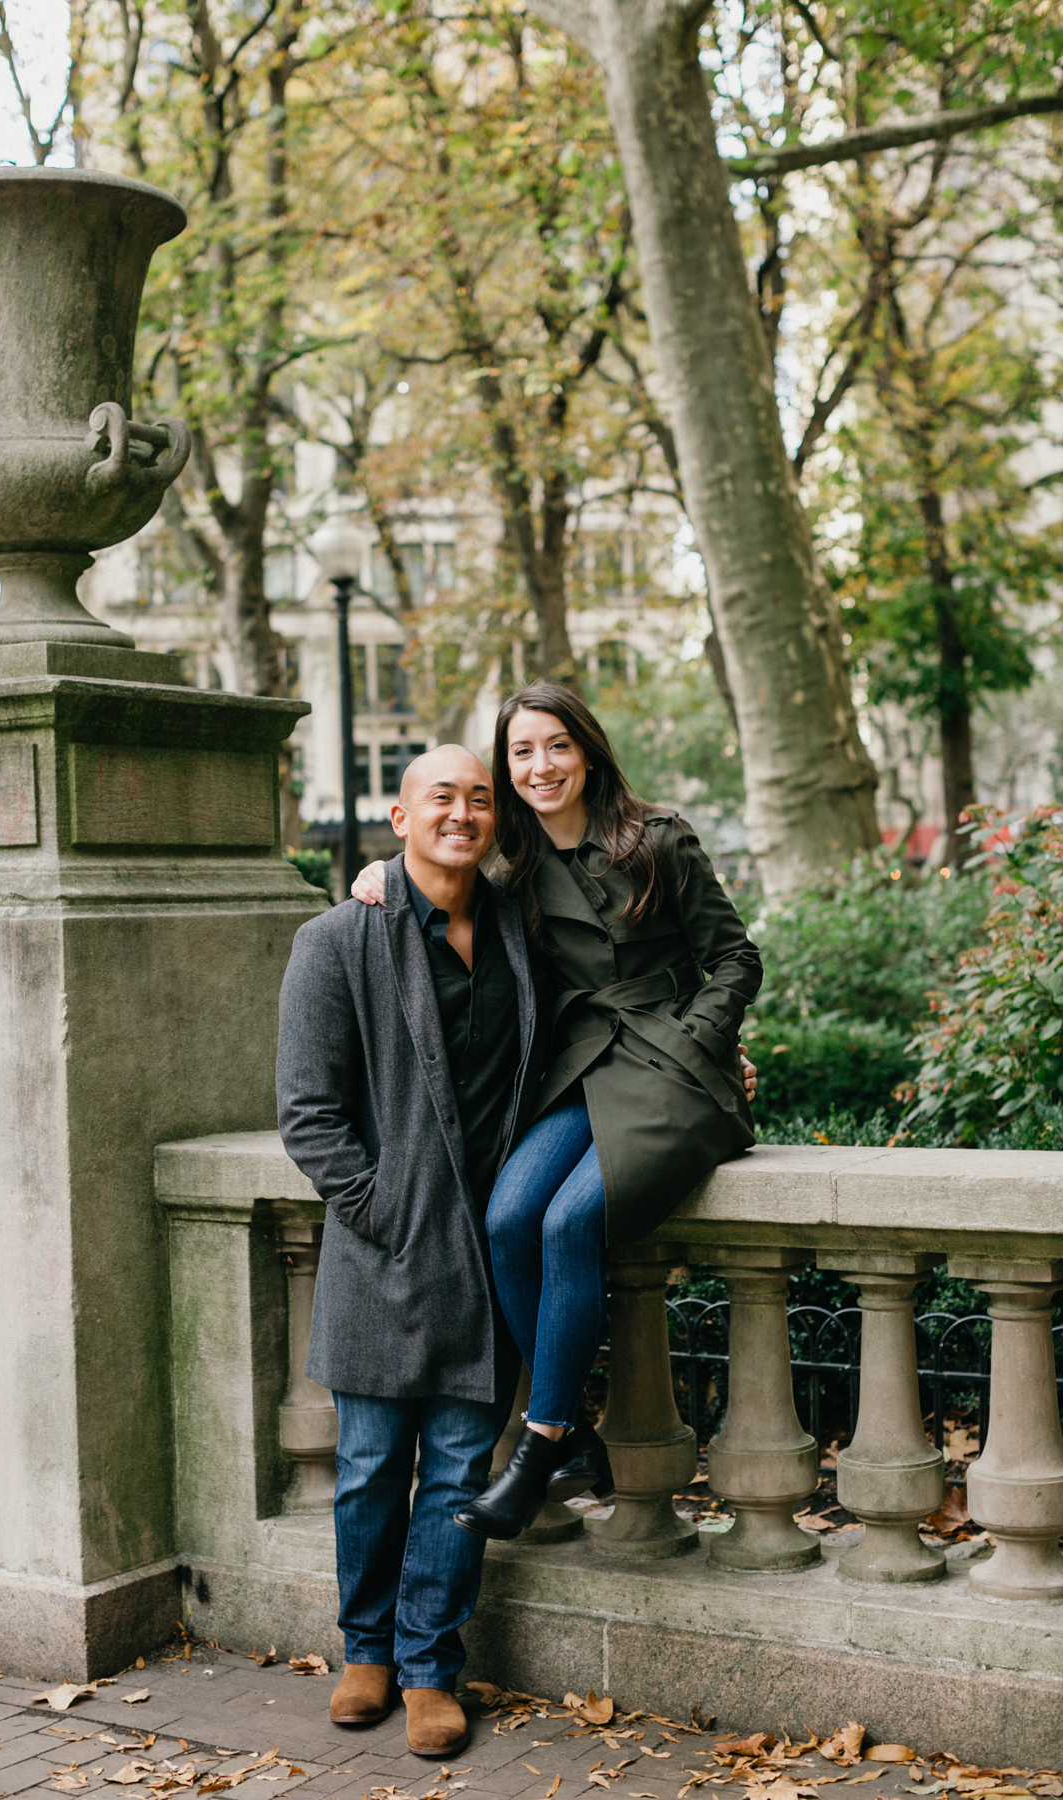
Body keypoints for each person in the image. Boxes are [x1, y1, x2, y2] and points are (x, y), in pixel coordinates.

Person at [351, 682, 762, 1540]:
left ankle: (543, 1448)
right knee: (508, 1218)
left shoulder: (657, 841)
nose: (540, 767)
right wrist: (377, 877)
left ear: (588, 751)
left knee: (570, 1220)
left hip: (675, 1069)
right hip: (583, 1069)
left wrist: (703, 1042)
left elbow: (735, 958)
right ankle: (567, 1421)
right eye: (521, 753)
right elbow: (437, 889)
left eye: (556, 746)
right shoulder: (515, 873)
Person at [275, 745, 546, 1760]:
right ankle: (367, 1651)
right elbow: (308, 1116)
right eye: (445, 797)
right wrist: (384, 1211)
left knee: (460, 1472)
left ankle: (432, 1664)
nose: (464, 813)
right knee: (369, 1467)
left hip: (487, 1253)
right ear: (400, 816)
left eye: (482, 798)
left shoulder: (522, 929)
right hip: (382, 1256)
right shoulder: (338, 941)